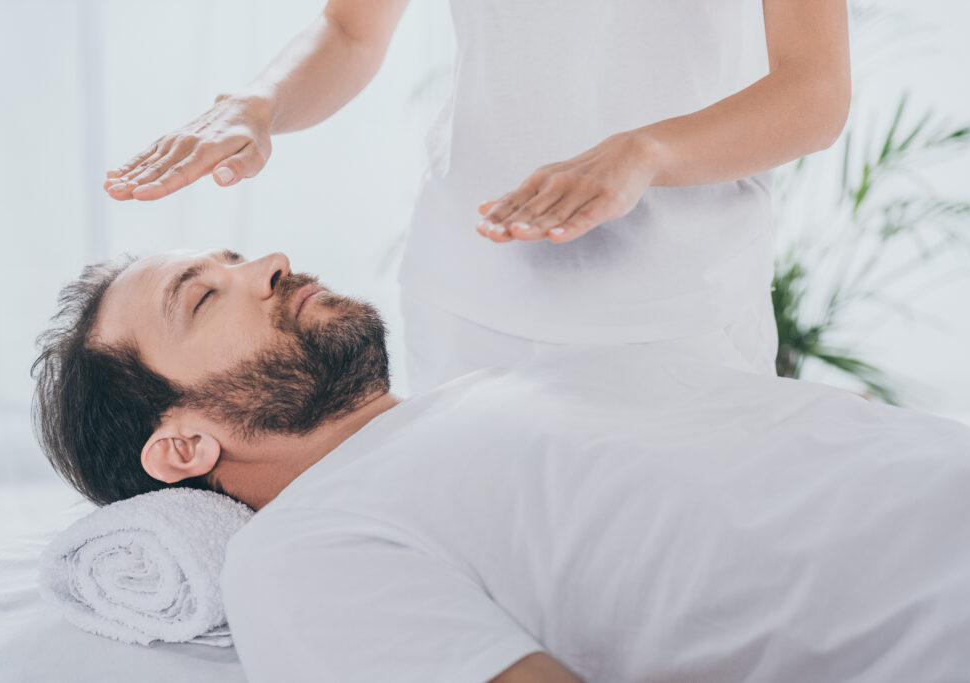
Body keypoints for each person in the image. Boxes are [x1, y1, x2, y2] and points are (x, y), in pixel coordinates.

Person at [32, 249, 970, 682]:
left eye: (236, 257)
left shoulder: (519, 383)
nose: (270, 262)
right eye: (204, 298)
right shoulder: (298, 556)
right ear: (185, 445)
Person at [101, 0, 851, 392]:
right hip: (468, 301)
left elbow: (815, 93)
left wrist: (645, 153)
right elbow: (351, 29)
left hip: (680, 309)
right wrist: (259, 104)